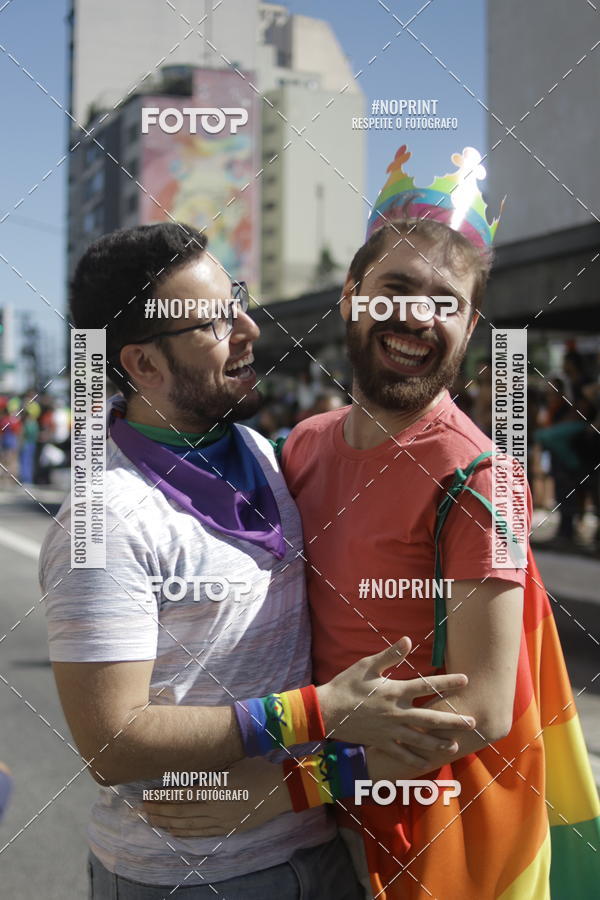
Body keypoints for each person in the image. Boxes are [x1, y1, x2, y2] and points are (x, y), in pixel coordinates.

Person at [154, 147, 600, 899]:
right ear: (352, 298)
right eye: (396, 287)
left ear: (469, 327)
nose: (417, 316)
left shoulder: (484, 481)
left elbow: (483, 710)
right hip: (312, 834)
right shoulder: (303, 444)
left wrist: (279, 787)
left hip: (433, 838)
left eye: (446, 301)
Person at [39, 222, 474, 899]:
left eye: (237, 298)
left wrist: (312, 775)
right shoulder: (103, 520)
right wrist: (314, 713)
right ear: (145, 366)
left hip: (320, 846)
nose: (250, 328)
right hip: (189, 876)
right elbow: (111, 741)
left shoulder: (269, 453)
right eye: (214, 322)